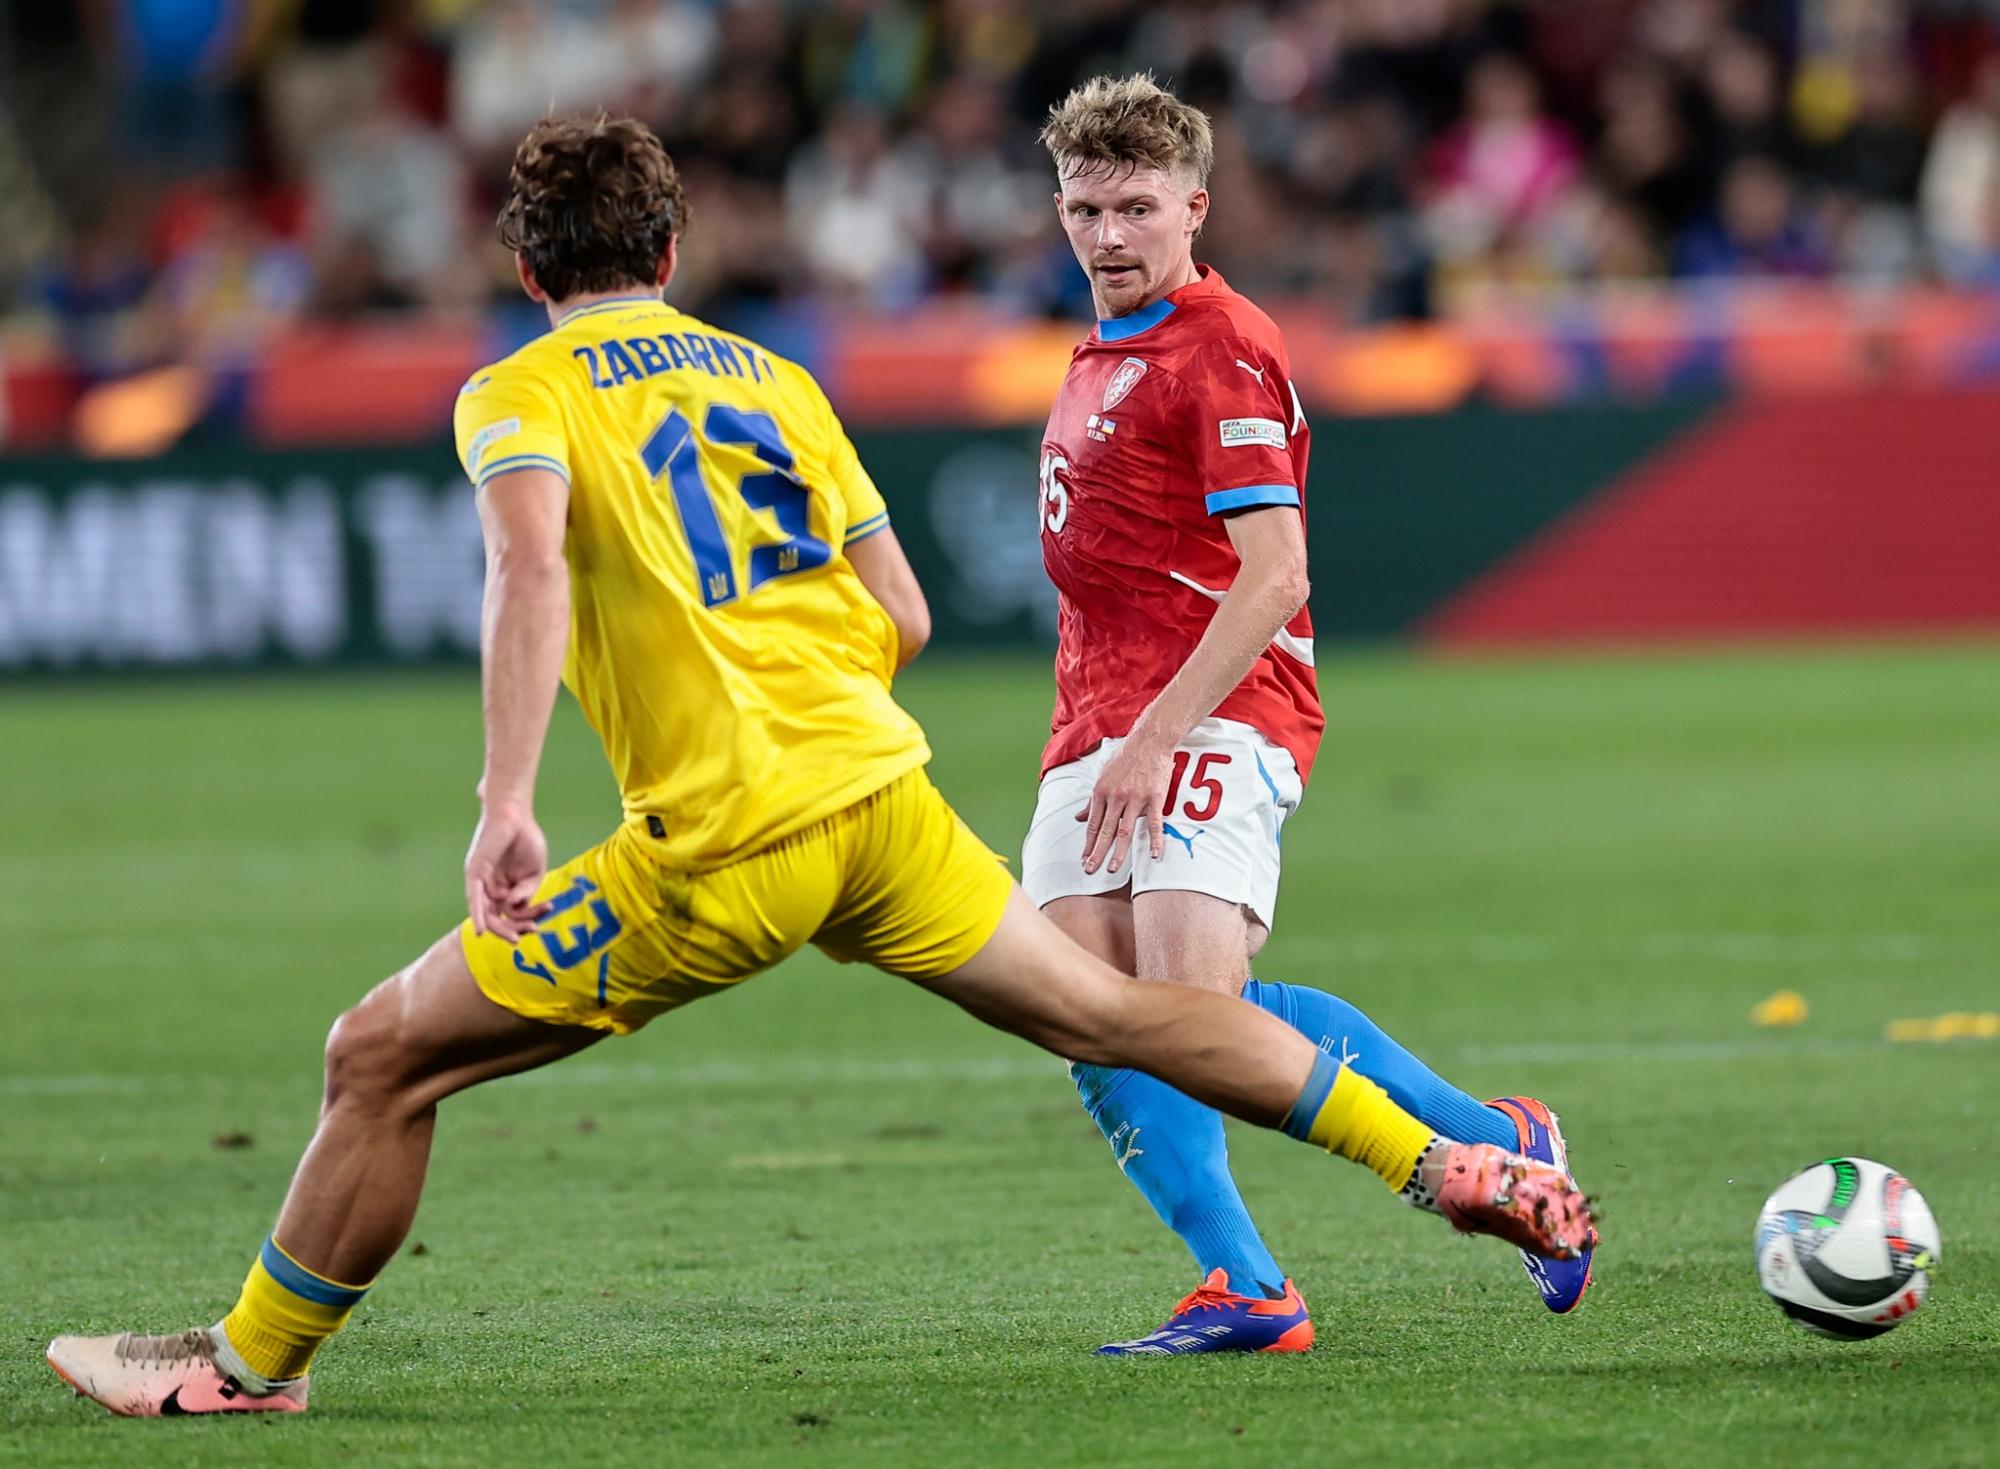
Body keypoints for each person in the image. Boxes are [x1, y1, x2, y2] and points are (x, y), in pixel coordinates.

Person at [45, 114, 1593, 1418]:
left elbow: (528, 573)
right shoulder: (772, 378)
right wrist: (807, 699)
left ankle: (248, 1366)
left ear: (527, 273)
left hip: (729, 840)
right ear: (671, 251)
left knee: (380, 1058)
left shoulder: (519, 394)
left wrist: (507, 799)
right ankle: (1450, 1166)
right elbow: (900, 612)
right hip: (884, 805)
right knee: (1126, 1018)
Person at [1025, 74, 1595, 1355]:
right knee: (1081, 1007)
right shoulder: (1099, 344)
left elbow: (1274, 571)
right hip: (1093, 723)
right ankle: (1246, 1286)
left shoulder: (1219, 341)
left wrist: (1154, 734)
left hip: (1214, 708)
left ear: (1194, 208)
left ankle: (1491, 1138)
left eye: (1134, 208)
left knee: (1190, 1004)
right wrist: (1104, 728)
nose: (1107, 235)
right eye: (1083, 209)